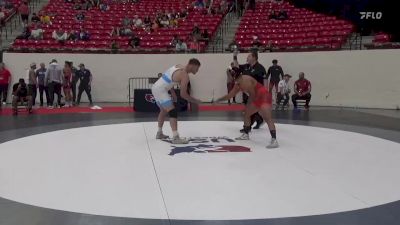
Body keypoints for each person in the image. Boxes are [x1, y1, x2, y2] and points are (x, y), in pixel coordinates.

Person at [214, 71, 279, 148]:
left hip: (263, 95)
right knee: (246, 114)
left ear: (236, 76)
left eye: (229, 76)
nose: (229, 78)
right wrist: (219, 99)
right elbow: (230, 95)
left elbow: (252, 95)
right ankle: (246, 134)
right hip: (256, 97)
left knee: (267, 117)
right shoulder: (237, 84)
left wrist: (248, 107)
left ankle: (274, 140)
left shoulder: (245, 80)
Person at [151, 58, 202, 144]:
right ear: (192, 66)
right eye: (197, 68)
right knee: (173, 111)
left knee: (163, 111)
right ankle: (175, 137)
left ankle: (159, 133)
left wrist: (173, 93)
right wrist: (195, 100)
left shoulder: (178, 66)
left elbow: (168, 78)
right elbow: (183, 94)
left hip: (156, 87)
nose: (197, 71)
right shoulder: (185, 75)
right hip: (161, 90)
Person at [233, 50, 266, 130]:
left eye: (249, 56)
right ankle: (259, 120)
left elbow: (264, 82)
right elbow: (237, 66)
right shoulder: (246, 66)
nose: (247, 57)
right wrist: (234, 56)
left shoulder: (260, 68)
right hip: (246, 92)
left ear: (254, 57)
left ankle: (247, 127)